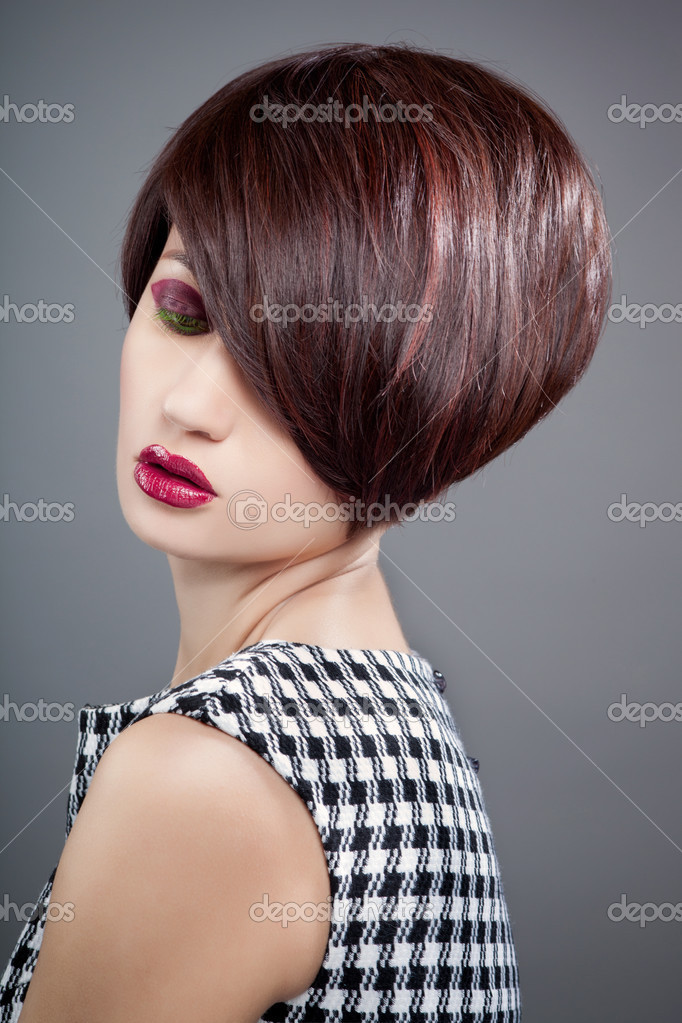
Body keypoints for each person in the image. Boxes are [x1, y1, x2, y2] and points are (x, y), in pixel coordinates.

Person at [0, 41, 611, 1022]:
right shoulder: (396, 715)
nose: (194, 404)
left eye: (292, 367)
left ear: (438, 416)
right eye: (187, 311)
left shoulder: (206, 782)